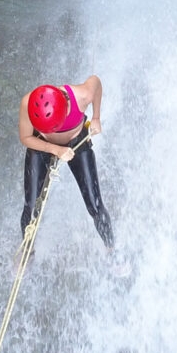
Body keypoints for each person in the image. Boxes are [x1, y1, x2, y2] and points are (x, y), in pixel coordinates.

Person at [19, 75, 115, 249]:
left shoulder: (82, 96)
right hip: (42, 144)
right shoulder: (28, 103)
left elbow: (96, 81)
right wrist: (55, 149)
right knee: (31, 207)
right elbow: (26, 137)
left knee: (95, 205)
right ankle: (28, 251)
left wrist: (96, 117)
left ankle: (111, 248)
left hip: (76, 141)